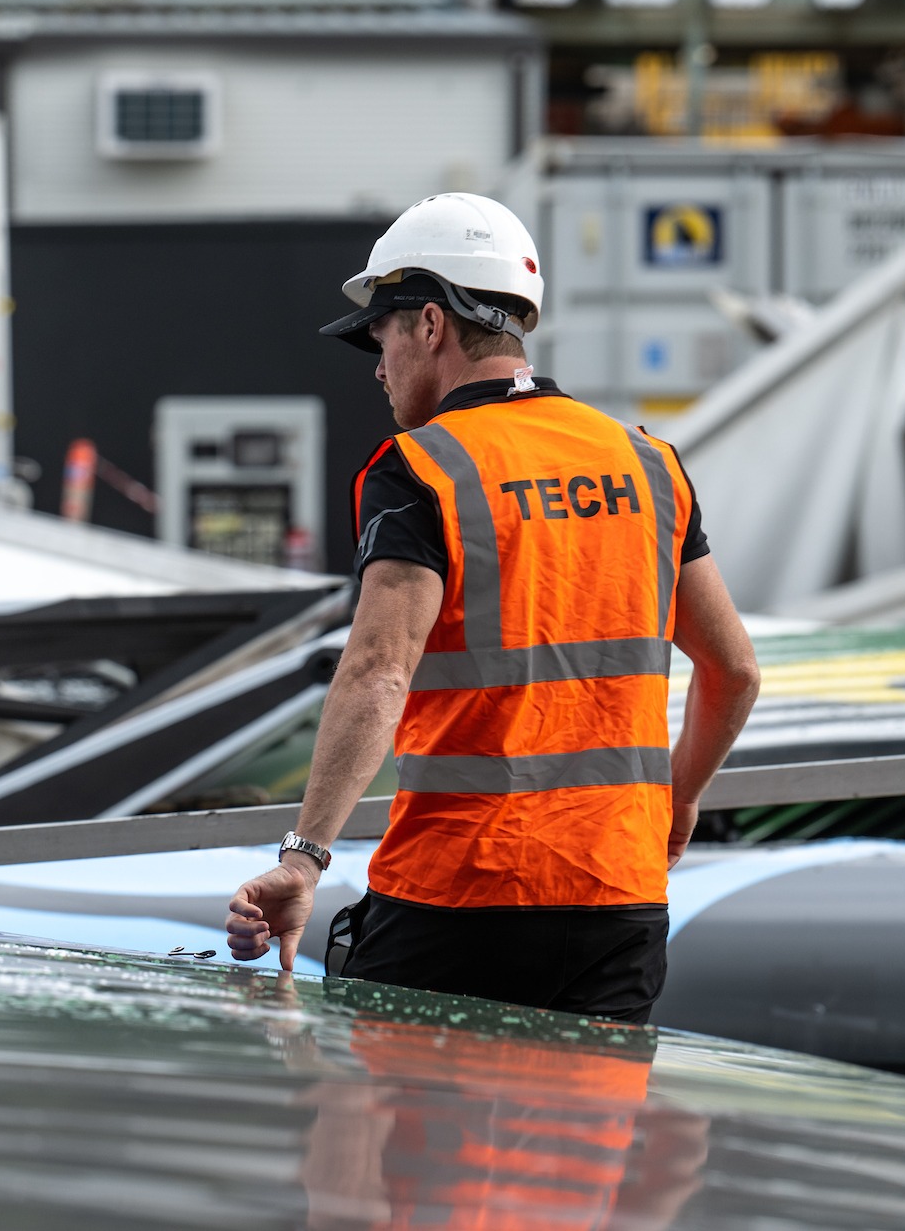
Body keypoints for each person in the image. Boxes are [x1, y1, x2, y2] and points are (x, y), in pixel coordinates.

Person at [224, 192, 761, 1024]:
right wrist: (676, 798)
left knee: (402, 1143)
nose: (378, 365)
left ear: (430, 324)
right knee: (582, 1148)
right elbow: (734, 672)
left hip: (460, 896)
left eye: (383, 335)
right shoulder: (649, 464)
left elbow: (376, 674)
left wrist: (302, 861)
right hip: (617, 899)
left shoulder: (420, 468)